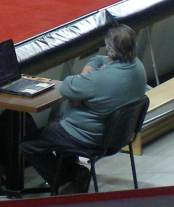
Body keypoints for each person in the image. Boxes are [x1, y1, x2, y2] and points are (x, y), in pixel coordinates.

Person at [20, 25, 147, 195]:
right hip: (118, 136)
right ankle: (76, 174)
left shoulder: (98, 80)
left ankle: (66, 182)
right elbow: (100, 60)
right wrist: (89, 69)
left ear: (109, 48)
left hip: (86, 136)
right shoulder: (138, 66)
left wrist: (85, 78)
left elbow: (66, 86)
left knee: (28, 145)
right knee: (54, 130)